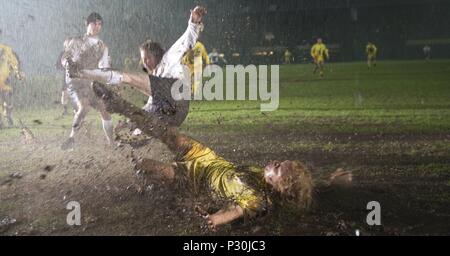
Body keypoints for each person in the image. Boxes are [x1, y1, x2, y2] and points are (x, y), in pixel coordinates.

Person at [91, 81, 352, 231]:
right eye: (279, 162)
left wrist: (216, 218)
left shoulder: (257, 200)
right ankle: (117, 104)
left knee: (149, 168)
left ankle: (143, 180)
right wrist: (332, 184)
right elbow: (300, 188)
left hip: (193, 180)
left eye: (277, 169)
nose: (273, 163)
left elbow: (236, 210)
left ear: (278, 185)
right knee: (167, 133)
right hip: (206, 157)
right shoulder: (276, 182)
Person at [67, 6, 207, 128]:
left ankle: (81, 72)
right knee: (139, 126)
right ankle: (125, 113)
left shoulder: (168, 58)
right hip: (174, 115)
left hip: (177, 96)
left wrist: (194, 22)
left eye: (147, 58)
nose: (145, 62)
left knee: (129, 78)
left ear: (156, 55)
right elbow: (151, 103)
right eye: (143, 59)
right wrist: (130, 124)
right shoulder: (157, 76)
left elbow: (186, 41)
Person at [60, 12, 114, 150]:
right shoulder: (76, 41)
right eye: (94, 23)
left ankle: (111, 143)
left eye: (100, 24)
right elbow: (64, 58)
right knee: (84, 106)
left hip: (89, 82)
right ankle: (71, 138)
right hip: (75, 82)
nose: (97, 26)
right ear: (87, 24)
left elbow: (104, 68)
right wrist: (67, 63)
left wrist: (108, 73)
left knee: (104, 109)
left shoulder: (103, 47)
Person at [0, 41, 25, 128]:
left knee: (7, 101)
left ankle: (8, 117)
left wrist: (18, 74)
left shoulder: (7, 51)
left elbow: (15, 64)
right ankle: (2, 121)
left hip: (5, 80)